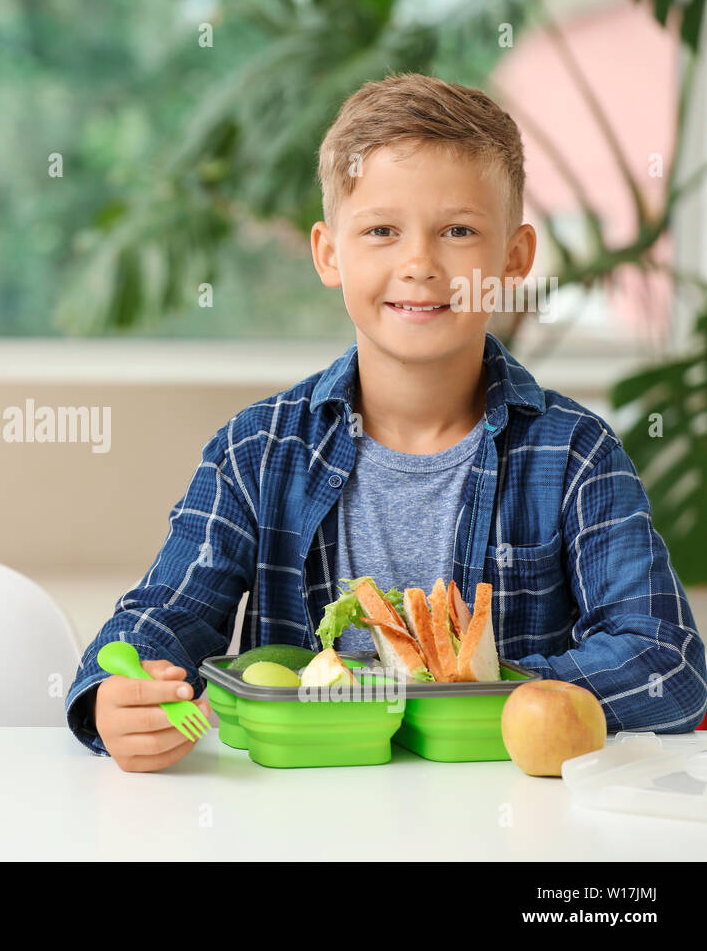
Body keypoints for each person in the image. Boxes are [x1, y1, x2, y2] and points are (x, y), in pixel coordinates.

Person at [67, 73, 706, 772]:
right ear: (329, 254)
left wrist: (463, 690)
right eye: (381, 231)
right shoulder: (256, 451)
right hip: (303, 817)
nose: (419, 265)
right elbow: (165, 614)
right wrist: (113, 696)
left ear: (514, 259)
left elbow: (666, 664)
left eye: (458, 231)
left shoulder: (575, 453)